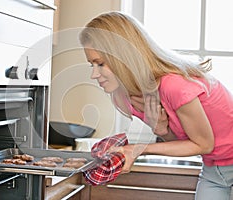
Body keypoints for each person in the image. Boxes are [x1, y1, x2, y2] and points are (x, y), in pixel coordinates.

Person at [79, 11, 233, 200]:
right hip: (214, 169)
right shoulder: (125, 97)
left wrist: (138, 148)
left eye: (100, 64)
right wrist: (161, 130)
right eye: (91, 65)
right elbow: (189, 141)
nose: (94, 74)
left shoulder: (174, 86)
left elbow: (204, 144)